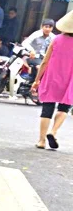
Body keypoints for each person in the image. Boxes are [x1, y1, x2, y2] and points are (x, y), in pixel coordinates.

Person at [32, 11, 73, 149]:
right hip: (70, 80)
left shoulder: (56, 39)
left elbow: (44, 61)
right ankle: (53, 131)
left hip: (52, 77)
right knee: (64, 107)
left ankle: (41, 141)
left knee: (47, 108)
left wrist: (37, 80)